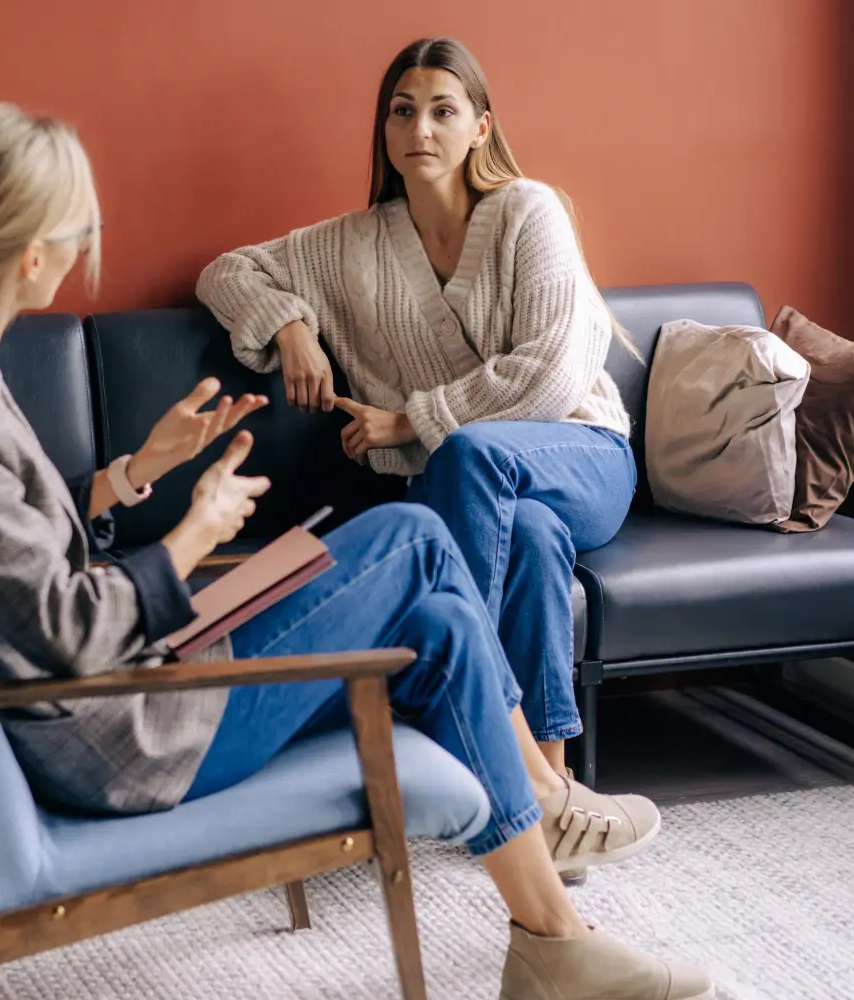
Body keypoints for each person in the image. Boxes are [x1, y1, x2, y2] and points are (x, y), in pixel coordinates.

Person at [0, 103, 712, 999]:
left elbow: (17, 553)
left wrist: (138, 471)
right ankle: (546, 809)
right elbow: (61, 628)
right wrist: (192, 536)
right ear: (30, 254)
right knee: (412, 538)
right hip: (123, 731)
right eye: (82, 231)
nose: (84, 247)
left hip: (133, 684)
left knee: (444, 619)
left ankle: (550, 939)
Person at [197, 36, 639, 829]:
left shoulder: (528, 212)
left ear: (480, 127)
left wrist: (409, 420)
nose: (420, 129)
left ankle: (465, 726)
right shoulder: (354, 244)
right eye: (403, 112)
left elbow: (551, 376)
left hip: (583, 454)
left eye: (443, 110)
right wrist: (292, 326)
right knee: (530, 538)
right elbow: (227, 271)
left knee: (469, 453)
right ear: (385, 129)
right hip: (486, 488)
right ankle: (551, 791)